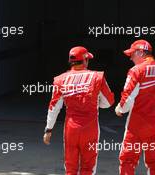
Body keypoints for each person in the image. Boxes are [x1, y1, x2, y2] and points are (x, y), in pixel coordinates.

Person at [43, 46, 114, 175]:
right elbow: (108, 103)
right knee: (88, 167)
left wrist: (48, 129)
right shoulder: (97, 77)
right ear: (85, 60)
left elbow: (54, 107)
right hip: (90, 128)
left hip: (71, 129)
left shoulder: (60, 79)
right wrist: (95, 103)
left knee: (71, 168)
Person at [115, 40, 155, 175]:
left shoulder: (136, 71)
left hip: (137, 124)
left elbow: (127, 99)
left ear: (141, 52)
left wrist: (119, 109)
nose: (130, 58)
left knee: (128, 161)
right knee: (154, 163)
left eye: (132, 54)